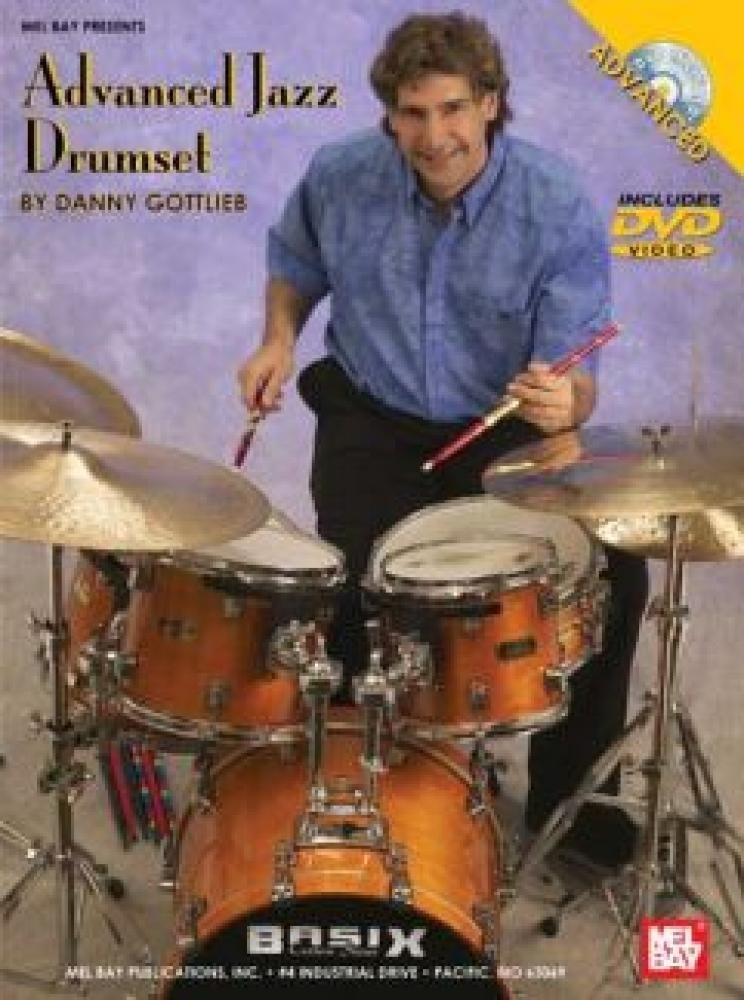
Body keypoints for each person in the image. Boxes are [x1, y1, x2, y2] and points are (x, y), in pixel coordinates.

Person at [238, 12, 648, 869]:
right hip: (373, 413)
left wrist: (562, 403)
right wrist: (277, 340)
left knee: (613, 574)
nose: (434, 136)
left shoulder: (555, 202)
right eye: (413, 113)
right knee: (354, 586)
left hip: (500, 427)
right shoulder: (341, 175)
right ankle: (367, 796)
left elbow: (578, 381)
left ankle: (574, 811)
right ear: (390, 114)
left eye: (453, 109)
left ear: (491, 103)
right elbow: (295, 265)